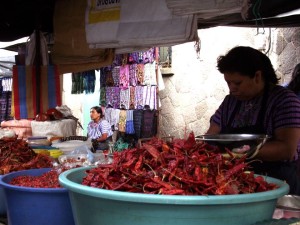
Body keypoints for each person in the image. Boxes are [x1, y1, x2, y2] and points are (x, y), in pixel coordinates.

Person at [206, 46, 300, 195]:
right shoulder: (229, 102)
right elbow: (211, 136)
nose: (232, 89)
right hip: (236, 182)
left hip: (277, 182)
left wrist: (241, 153)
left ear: (257, 76)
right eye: (228, 83)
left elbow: (287, 149)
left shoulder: (285, 100)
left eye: (237, 83)